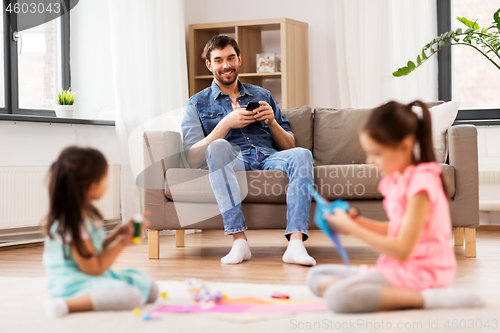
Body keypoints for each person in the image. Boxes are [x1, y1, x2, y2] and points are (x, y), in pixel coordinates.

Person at [306, 101, 484, 313]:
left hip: (422, 272)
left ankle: (428, 298)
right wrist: (357, 222)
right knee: (315, 276)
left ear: (405, 146)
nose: (370, 161)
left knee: (338, 297)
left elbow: (401, 249)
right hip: (396, 268)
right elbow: (398, 230)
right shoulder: (397, 180)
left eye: (377, 153)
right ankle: (377, 289)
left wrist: (353, 229)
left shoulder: (422, 185)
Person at [181, 35, 316, 266]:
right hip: (233, 159)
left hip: (268, 157)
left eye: (231, 58)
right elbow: (192, 157)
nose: (226, 66)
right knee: (217, 147)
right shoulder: (197, 103)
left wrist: (272, 122)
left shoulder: (262, 95)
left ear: (239, 59)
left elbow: (290, 145)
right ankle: (239, 241)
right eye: (219, 60)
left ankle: (295, 243)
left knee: (302, 153)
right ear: (209, 65)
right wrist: (226, 123)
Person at [43, 146, 159, 318]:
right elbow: (94, 268)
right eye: (104, 179)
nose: (106, 184)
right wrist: (120, 244)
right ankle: (65, 304)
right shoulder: (72, 223)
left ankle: (90, 296)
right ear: (90, 187)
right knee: (132, 297)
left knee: (151, 289)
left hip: (87, 275)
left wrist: (118, 232)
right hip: (71, 282)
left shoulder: (86, 213)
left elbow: (93, 248)